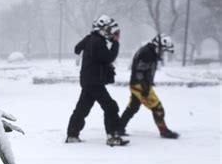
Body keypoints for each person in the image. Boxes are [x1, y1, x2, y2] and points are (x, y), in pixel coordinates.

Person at [66, 15, 129, 146]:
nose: (111, 32)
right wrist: (116, 42)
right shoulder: (97, 42)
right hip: (94, 82)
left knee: (82, 109)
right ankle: (113, 136)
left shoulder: (92, 39)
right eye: (108, 29)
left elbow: (77, 48)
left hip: (90, 81)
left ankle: (72, 134)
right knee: (111, 107)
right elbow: (108, 57)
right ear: (102, 29)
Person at [118, 34, 180, 139]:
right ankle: (164, 131)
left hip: (137, 84)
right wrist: (145, 88)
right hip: (140, 86)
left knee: (132, 107)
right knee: (157, 108)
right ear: (158, 46)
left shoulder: (149, 51)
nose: (162, 53)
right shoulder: (147, 54)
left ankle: (118, 128)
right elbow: (140, 72)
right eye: (163, 50)